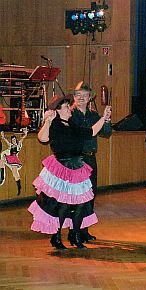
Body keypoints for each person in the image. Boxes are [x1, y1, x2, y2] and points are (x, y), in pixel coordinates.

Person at [28, 94, 111, 250]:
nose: (69, 108)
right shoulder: (55, 124)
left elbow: (91, 132)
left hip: (78, 166)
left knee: (80, 203)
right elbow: (42, 138)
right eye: (66, 106)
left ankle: (75, 235)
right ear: (58, 111)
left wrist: (104, 118)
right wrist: (48, 121)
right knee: (64, 204)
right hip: (62, 167)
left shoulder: (73, 124)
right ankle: (57, 236)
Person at [70, 82, 112, 242]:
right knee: (76, 197)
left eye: (84, 96)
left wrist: (106, 119)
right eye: (78, 95)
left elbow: (107, 133)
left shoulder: (94, 114)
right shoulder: (71, 114)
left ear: (89, 98)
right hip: (75, 160)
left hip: (90, 158)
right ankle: (74, 231)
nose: (80, 98)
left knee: (90, 195)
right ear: (74, 97)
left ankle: (84, 229)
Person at [0, 128, 28, 195]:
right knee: (2, 161)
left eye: (14, 140)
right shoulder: (10, 145)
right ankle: (1, 177)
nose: (13, 141)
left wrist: (25, 134)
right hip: (9, 159)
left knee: (15, 173)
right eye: (12, 140)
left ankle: (19, 187)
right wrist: (3, 136)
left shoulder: (18, 146)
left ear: (16, 140)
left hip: (14, 160)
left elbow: (22, 139)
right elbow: (5, 140)